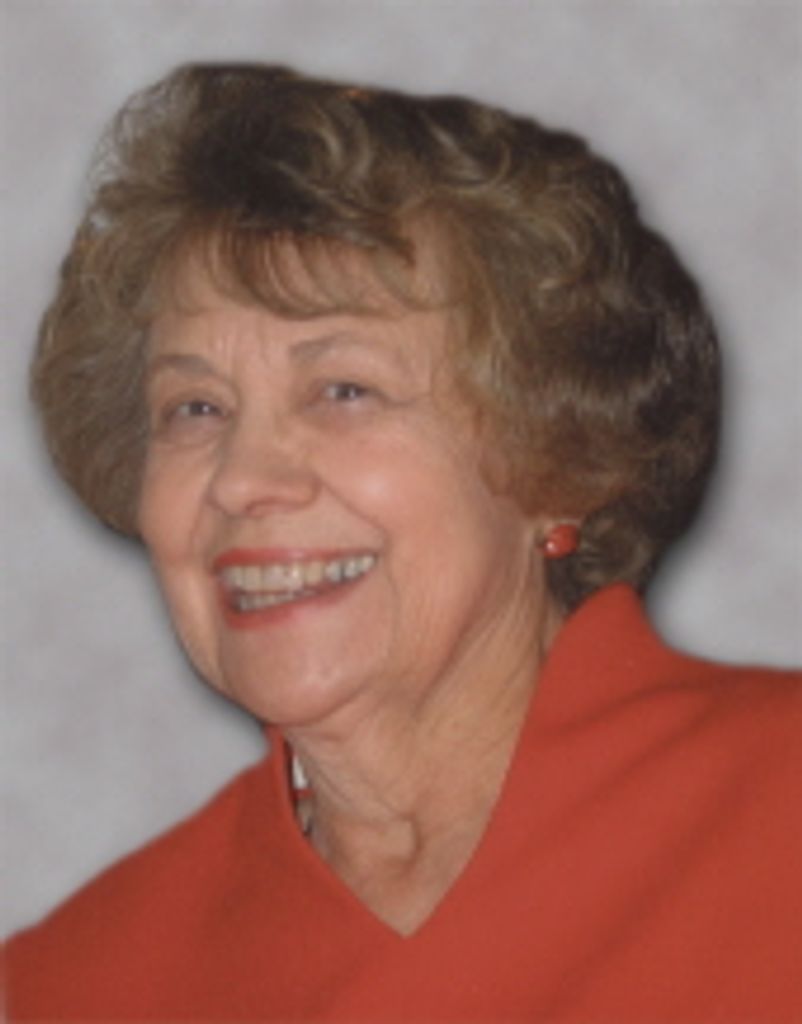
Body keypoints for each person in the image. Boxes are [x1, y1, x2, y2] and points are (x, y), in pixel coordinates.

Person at [4, 62, 800, 1022]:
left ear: (557, 459)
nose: (243, 479)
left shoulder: (778, 810)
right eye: (196, 408)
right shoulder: (71, 987)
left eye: (344, 390)